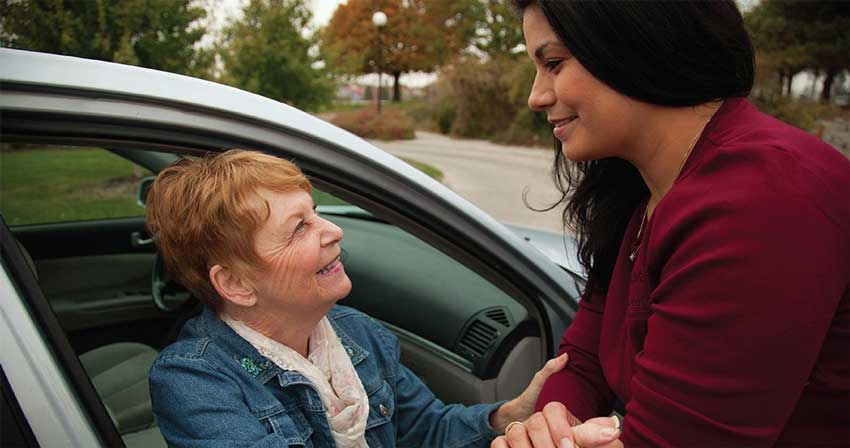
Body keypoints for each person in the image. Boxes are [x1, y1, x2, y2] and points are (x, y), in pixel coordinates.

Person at [492, 1, 849, 447]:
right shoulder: (642, 191)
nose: (536, 96)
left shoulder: (765, 196)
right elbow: (584, 360)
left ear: (635, 43)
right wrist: (550, 426)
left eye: (554, 63)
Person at [145, 150, 619, 448]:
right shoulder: (194, 381)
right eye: (299, 228)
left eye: (316, 213)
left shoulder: (356, 334)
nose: (333, 230)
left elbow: (426, 430)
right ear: (236, 285)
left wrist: (506, 415)